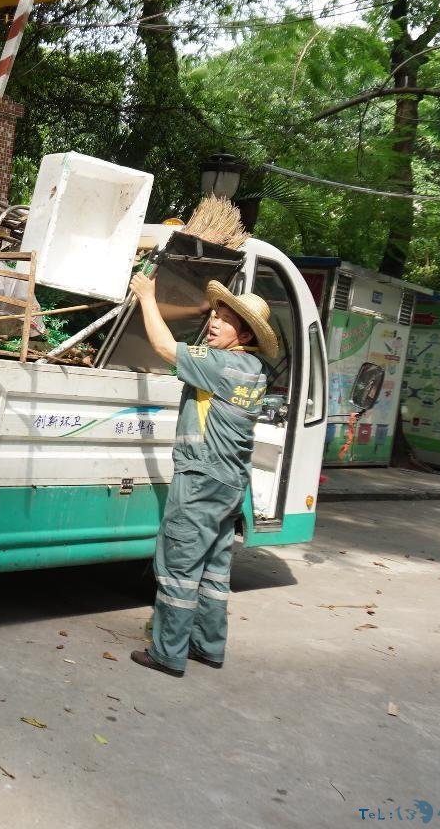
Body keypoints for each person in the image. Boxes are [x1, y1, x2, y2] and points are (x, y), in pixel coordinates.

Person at [126, 273, 280, 678]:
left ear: (244, 332)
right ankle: (207, 646)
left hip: (199, 478)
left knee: (178, 567)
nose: (213, 322)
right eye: (215, 313)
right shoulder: (254, 370)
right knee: (214, 570)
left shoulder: (221, 364)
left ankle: (167, 653)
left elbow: (162, 346)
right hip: (230, 483)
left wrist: (147, 296)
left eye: (225, 319)